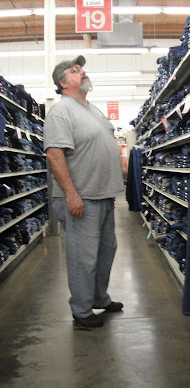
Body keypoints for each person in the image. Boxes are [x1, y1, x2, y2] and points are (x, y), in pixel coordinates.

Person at [43, 55, 125, 328]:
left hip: (102, 196)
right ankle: (81, 311)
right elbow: (55, 154)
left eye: (82, 68)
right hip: (81, 198)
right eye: (75, 70)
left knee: (105, 252)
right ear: (63, 83)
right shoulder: (61, 110)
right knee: (83, 257)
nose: (83, 71)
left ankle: (99, 298)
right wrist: (71, 194)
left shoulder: (92, 109)